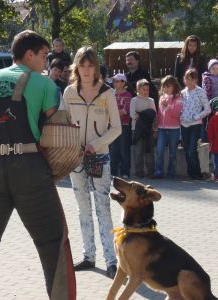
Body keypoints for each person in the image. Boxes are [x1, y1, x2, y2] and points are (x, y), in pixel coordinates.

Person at [0, 30, 76, 300]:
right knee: (53, 242)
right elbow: (58, 131)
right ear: (29, 54)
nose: (46, 62)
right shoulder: (44, 85)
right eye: (44, 56)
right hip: (31, 167)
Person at [63, 46, 121, 279]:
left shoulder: (107, 93)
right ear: (76, 67)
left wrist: (95, 145)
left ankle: (111, 260)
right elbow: (63, 123)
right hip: (75, 158)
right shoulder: (68, 92)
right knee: (82, 207)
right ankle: (88, 256)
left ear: (96, 67)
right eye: (82, 66)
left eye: (90, 66)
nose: (86, 71)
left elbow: (116, 128)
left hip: (99, 157)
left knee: (103, 207)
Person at [180, 68, 211, 180]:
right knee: (186, 150)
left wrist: (196, 117)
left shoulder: (200, 91)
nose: (188, 81)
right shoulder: (182, 93)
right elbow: (179, 107)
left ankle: (197, 174)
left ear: (196, 80)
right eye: (186, 79)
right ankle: (190, 173)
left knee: (192, 150)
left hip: (195, 124)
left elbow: (207, 109)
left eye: (191, 79)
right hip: (184, 125)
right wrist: (180, 116)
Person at [152, 75, 182, 179]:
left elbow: (177, 114)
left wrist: (167, 106)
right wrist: (156, 128)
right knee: (159, 150)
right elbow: (159, 114)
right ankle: (159, 172)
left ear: (174, 86)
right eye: (164, 86)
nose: (166, 89)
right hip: (162, 129)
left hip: (174, 129)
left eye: (168, 86)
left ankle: (171, 173)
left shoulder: (179, 97)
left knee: (172, 152)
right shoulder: (161, 97)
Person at [130, 79, 156, 178]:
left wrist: (141, 114)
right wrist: (146, 114)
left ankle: (150, 172)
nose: (146, 91)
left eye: (147, 90)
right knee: (138, 152)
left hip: (148, 130)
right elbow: (133, 115)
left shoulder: (151, 101)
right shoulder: (134, 100)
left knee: (149, 152)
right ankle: (138, 173)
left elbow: (153, 115)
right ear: (138, 89)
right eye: (143, 89)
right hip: (137, 130)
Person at [109, 73, 132, 178]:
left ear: (124, 83)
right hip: (112, 125)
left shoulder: (128, 95)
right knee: (113, 149)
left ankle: (125, 172)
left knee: (123, 149)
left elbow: (125, 111)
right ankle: (112, 172)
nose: (115, 83)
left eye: (118, 81)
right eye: (114, 81)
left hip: (124, 125)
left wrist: (112, 112)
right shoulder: (110, 94)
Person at [201, 59, 218, 142]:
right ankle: (206, 140)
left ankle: (216, 138)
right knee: (209, 122)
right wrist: (210, 104)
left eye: (217, 68)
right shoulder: (207, 78)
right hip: (210, 103)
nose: (215, 70)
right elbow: (207, 92)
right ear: (209, 69)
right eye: (213, 68)